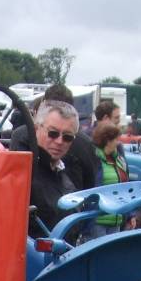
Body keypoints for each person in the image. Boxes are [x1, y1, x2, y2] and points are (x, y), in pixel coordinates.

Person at [26, 98, 96, 236]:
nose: (59, 141)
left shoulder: (67, 174)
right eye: (53, 133)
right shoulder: (23, 173)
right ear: (36, 129)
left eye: (67, 137)